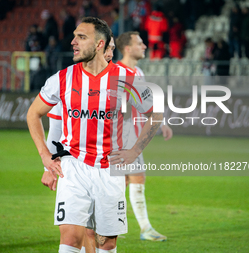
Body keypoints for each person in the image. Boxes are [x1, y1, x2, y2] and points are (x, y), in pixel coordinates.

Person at [27, 17, 162, 253]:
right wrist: (45, 156)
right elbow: (33, 114)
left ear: (100, 44)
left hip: (110, 169)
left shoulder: (126, 78)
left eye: (81, 37)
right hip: (73, 167)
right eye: (74, 36)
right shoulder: (63, 78)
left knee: (106, 243)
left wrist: (135, 151)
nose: (73, 42)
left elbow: (155, 114)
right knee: (71, 238)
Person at [116, 31, 172, 241]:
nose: (145, 46)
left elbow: (146, 101)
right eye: (140, 43)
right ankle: (145, 228)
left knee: (123, 181)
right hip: (121, 135)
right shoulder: (117, 72)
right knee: (134, 178)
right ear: (128, 48)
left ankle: (111, 224)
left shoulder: (137, 71)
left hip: (133, 134)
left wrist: (162, 123)